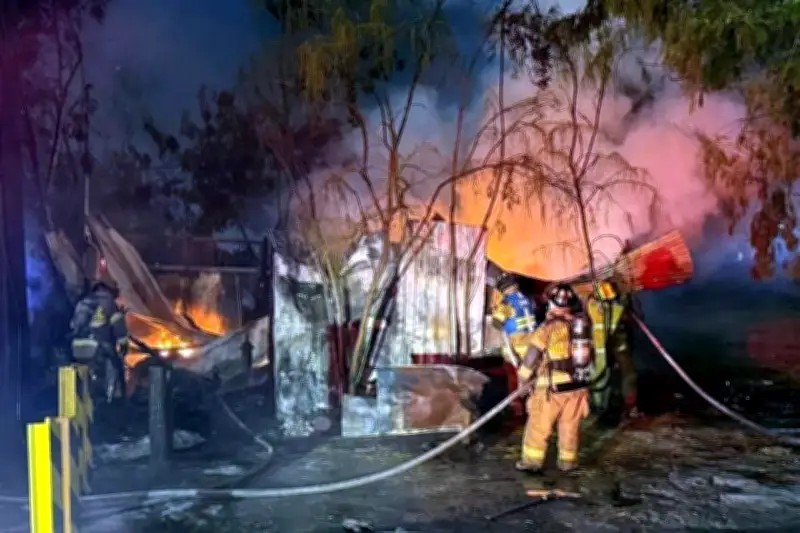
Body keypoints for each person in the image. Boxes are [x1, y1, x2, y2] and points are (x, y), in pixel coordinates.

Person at [515, 283, 592, 474]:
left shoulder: (547, 328)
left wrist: (522, 380)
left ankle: (532, 462)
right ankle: (568, 462)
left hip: (552, 389)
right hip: (578, 387)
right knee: (570, 427)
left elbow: (532, 356)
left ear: (550, 303)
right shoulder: (581, 326)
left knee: (539, 426)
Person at [70, 277, 129, 402]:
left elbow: (74, 325)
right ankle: (105, 401)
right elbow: (118, 324)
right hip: (98, 347)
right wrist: (123, 345)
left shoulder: (83, 301)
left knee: (83, 377)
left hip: (77, 347)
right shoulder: (108, 301)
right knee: (111, 369)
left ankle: (83, 400)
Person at [585, 279, 638, 420]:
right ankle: (629, 406)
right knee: (626, 376)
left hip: (603, 351)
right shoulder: (618, 309)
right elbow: (631, 319)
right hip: (618, 348)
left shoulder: (594, 308)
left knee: (600, 379)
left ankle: (600, 408)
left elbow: (589, 302)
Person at [490, 272, 538, 367]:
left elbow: (496, 322)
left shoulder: (507, 303)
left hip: (520, 342)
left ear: (503, 289)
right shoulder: (528, 299)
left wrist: (495, 310)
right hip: (534, 339)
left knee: (524, 370)